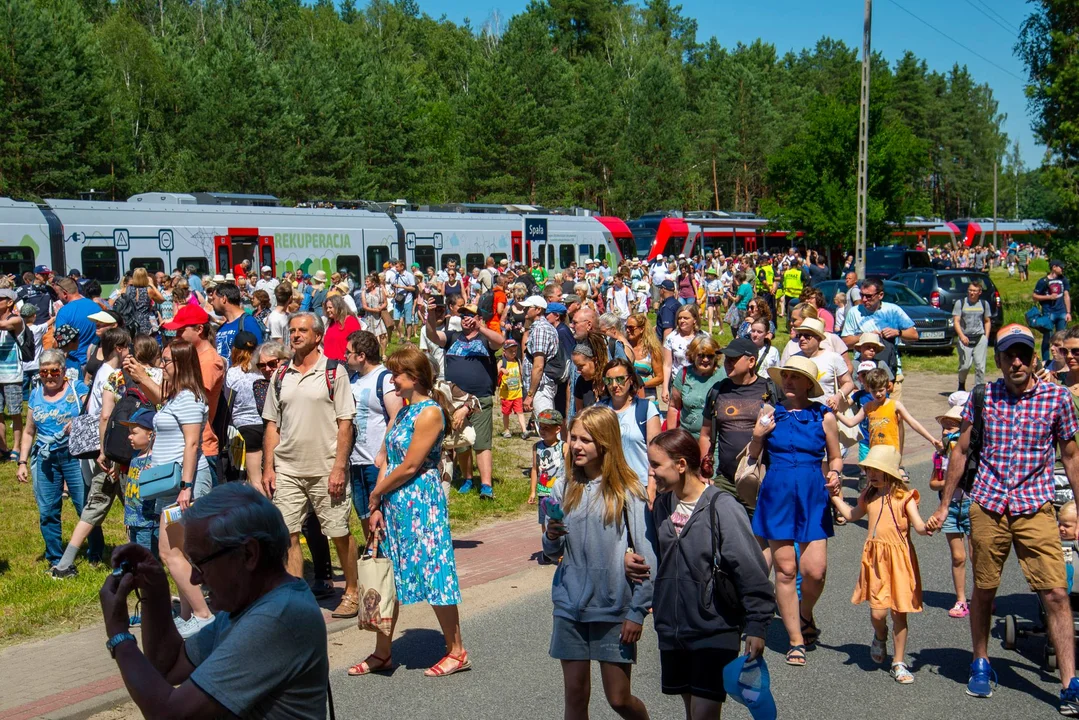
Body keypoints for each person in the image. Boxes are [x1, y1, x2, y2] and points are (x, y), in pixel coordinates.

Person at [926, 324, 1079, 711]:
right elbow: (960, 451)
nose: (1016, 362)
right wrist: (945, 504)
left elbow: (1072, 456)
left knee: (1057, 594)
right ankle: (980, 662)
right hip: (989, 505)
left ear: (1033, 358)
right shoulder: (983, 396)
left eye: (1023, 355)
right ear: (998, 359)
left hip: (1036, 506)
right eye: (1009, 355)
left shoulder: (1056, 398)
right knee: (985, 589)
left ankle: (1069, 682)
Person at [97, 483, 329, 718]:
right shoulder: (248, 603)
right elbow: (169, 665)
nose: (194, 578)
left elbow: (170, 715)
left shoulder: (277, 617)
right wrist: (154, 588)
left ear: (249, 554)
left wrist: (118, 634)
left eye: (199, 562)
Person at [620, 428, 773, 718]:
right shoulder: (663, 504)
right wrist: (628, 557)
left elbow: (751, 570)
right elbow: (653, 557)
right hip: (674, 629)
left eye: (656, 465)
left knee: (704, 713)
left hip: (714, 629)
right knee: (692, 711)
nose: (650, 473)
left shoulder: (722, 507)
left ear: (681, 465)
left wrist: (757, 625)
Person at [349, 346, 470, 678]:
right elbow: (386, 457)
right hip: (395, 502)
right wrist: (378, 505)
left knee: (435, 573)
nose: (392, 380)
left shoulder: (429, 413)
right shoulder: (402, 412)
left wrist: (376, 492)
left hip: (421, 502)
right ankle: (382, 653)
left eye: (396, 374)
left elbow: (412, 464)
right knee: (389, 576)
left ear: (413, 377)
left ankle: (457, 651)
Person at [542, 406, 655, 720]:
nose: (576, 445)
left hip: (613, 608)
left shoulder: (629, 490)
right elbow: (552, 553)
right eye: (573, 438)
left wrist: (637, 610)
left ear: (605, 443)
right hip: (569, 605)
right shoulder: (562, 487)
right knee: (575, 697)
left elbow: (648, 556)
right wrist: (551, 537)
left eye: (585, 440)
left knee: (619, 698)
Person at [262, 312, 360, 619]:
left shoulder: (334, 372)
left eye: (302, 330)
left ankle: (353, 591)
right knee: (288, 533)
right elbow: (271, 426)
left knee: (339, 531)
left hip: (326, 468)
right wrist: (269, 467)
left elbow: (345, 423)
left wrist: (339, 467)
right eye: (292, 330)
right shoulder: (280, 376)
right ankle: (297, 597)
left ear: (318, 336)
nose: (295, 335)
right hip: (288, 468)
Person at [750, 356, 843, 666]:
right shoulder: (768, 413)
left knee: (814, 571)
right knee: (786, 570)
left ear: (808, 384)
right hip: (777, 493)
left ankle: (805, 613)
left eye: (794, 377)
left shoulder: (824, 416)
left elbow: (835, 456)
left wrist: (835, 473)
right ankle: (795, 640)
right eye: (785, 376)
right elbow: (753, 455)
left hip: (812, 496)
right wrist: (758, 435)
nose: (787, 382)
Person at [830, 444, 928, 684]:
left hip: (900, 560)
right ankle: (880, 635)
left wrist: (930, 526)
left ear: (890, 473)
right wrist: (833, 497)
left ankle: (899, 662)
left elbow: (920, 526)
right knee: (877, 613)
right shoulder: (868, 495)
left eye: (876, 470)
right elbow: (852, 515)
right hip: (876, 560)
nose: (871, 475)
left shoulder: (905, 497)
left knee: (899, 613)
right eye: (868, 470)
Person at [16, 350, 90, 574]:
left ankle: (95, 551)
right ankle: (56, 556)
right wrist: (22, 461)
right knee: (47, 509)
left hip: (74, 455)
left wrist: (77, 421)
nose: (49, 376)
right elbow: (29, 432)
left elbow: (94, 415)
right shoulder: (36, 393)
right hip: (46, 457)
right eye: (43, 371)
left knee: (84, 506)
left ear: (64, 371)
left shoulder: (78, 390)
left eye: (54, 371)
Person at [425, 298, 504, 498]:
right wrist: (431, 314)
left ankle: (486, 484)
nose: (465, 319)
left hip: (481, 397)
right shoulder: (453, 337)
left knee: (482, 442)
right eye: (463, 316)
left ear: (478, 318)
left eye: (469, 316)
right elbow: (432, 335)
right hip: (456, 399)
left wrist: (481, 327)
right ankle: (468, 478)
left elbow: (500, 341)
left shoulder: (485, 339)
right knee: (462, 442)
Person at [345, 330, 401, 540]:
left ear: (361, 356)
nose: (345, 356)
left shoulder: (384, 379)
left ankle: (386, 552)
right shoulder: (352, 379)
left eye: (348, 352)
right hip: (355, 459)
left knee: (381, 510)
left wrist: (383, 452)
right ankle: (372, 548)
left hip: (376, 460)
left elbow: (395, 417)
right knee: (363, 510)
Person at [841, 278, 917, 400]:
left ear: (880, 295)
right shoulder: (854, 312)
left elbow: (914, 335)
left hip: (890, 371)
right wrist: (865, 336)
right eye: (862, 295)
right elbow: (844, 343)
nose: (864, 299)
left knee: (892, 416)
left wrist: (897, 332)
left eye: (869, 296)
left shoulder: (893, 310)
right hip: (862, 373)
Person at [599, 359, 661, 504]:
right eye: (609, 380)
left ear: (631, 380)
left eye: (620, 379)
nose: (614, 385)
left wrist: (651, 488)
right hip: (608, 487)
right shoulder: (598, 410)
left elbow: (656, 452)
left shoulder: (647, 408)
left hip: (640, 486)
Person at [930, 404, 972, 619]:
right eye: (944, 428)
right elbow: (933, 483)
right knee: (958, 556)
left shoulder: (974, 452)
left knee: (978, 556)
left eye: (952, 427)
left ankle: (983, 597)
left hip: (972, 505)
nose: (946, 432)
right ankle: (961, 599)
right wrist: (949, 481)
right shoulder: (939, 457)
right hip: (950, 508)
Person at [224, 332, 266, 490]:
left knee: (255, 480)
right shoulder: (263, 370)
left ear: (235, 350)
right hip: (265, 426)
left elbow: (228, 403)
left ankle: (267, 514)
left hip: (244, 429)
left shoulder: (232, 373)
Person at [667, 335, 725, 438]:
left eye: (710, 356)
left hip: (715, 440)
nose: (705, 359)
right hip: (687, 438)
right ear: (693, 355)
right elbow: (674, 407)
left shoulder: (724, 375)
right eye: (701, 355)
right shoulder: (684, 374)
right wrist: (671, 437)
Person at [529, 409, 567, 553]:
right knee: (544, 521)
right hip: (543, 492)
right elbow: (534, 469)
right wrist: (533, 491)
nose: (542, 431)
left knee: (560, 519)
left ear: (558, 429)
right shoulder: (537, 447)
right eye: (541, 427)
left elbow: (569, 468)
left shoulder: (563, 446)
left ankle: (562, 546)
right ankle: (548, 547)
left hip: (559, 492)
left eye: (547, 428)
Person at [662, 305, 706, 406]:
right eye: (679, 318)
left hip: (699, 382)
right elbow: (667, 365)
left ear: (694, 320)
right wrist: (665, 388)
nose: (682, 320)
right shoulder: (672, 338)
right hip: (678, 383)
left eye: (686, 318)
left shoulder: (703, 337)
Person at [0, 288, 25, 461]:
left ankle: (17, 447)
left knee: (15, 413)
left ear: (10, 302)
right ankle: (2, 448)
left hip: (12, 376)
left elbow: (3, 325)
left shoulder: (16, 320)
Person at [954, 281, 992, 392]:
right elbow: (956, 321)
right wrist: (961, 336)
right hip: (965, 338)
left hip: (980, 337)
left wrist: (986, 337)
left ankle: (978, 390)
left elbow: (987, 321)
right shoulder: (960, 303)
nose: (972, 293)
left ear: (979, 292)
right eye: (970, 290)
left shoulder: (984, 304)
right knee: (965, 366)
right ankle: (961, 384)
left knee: (980, 367)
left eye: (974, 291)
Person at [52, 277, 99, 367]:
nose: (58, 297)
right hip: (94, 361)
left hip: (75, 363)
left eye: (58, 294)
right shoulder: (96, 306)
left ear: (65, 294)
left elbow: (59, 341)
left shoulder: (64, 312)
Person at [212, 282, 263, 361]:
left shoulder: (248, 322)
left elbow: (258, 354)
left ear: (223, 299)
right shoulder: (222, 328)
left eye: (213, 299)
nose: (211, 303)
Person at [1034, 259, 1072, 361]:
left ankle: (1061, 360)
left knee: (1062, 338)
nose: (1062, 269)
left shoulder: (1064, 280)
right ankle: (1046, 361)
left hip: (1062, 312)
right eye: (1060, 267)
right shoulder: (1043, 281)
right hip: (1048, 312)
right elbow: (1035, 296)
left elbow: (1066, 295)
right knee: (1048, 338)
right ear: (1054, 267)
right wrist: (1049, 297)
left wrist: (1068, 312)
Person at [625, 313, 664, 399]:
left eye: (631, 327)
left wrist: (640, 385)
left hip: (647, 397)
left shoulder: (653, 349)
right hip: (626, 398)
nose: (627, 330)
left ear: (642, 329)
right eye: (626, 327)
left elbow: (660, 377)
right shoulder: (623, 347)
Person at [498, 338, 528, 438]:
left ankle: (524, 430)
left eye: (515, 351)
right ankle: (506, 430)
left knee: (520, 412)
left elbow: (520, 374)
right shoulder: (502, 362)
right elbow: (495, 373)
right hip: (506, 394)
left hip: (517, 393)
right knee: (506, 413)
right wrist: (502, 369)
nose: (513, 353)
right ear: (504, 352)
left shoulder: (517, 361)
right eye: (510, 351)